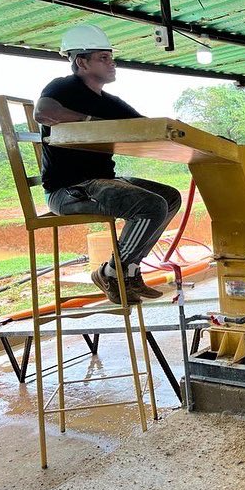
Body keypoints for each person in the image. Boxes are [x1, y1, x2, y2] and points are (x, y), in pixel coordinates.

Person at [35, 25, 181, 305]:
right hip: (69, 190)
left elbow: (144, 126)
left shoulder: (110, 102)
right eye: (103, 58)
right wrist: (90, 122)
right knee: (151, 206)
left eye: (111, 57)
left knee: (170, 197)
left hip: (102, 182)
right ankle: (112, 273)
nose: (112, 63)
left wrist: (179, 132)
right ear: (81, 62)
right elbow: (43, 113)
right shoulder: (62, 87)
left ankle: (127, 270)